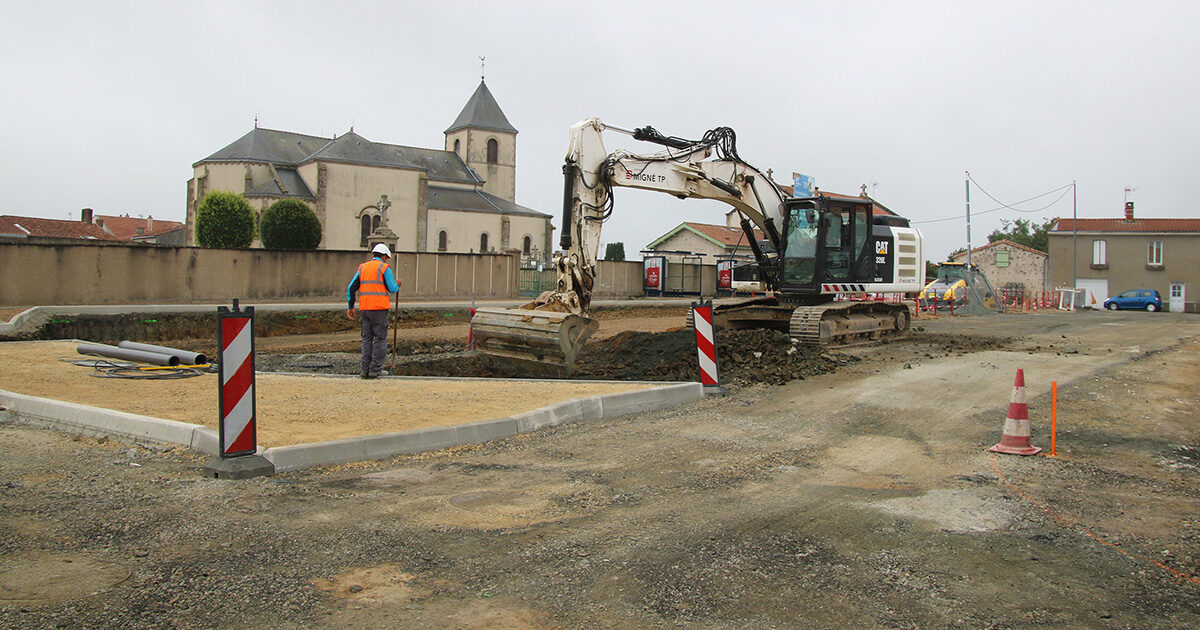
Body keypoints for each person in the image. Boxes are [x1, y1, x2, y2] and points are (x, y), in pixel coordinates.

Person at [346, 243, 401, 378]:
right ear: (383, 256)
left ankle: (364, 370)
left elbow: (351, 288)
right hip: (379, 309)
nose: (387, 260)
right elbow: (392, 289)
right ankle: (375, 369)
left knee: (366, 339)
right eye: (386, 257)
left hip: (365, 308)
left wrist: (351, 306)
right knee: (380, 339)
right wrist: (398, 284)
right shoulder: (384, 268)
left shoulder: (362, 267)